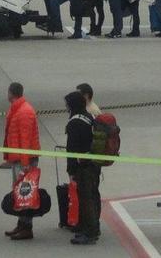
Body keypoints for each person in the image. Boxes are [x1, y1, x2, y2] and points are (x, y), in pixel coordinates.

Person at [3, 82, 40, 241]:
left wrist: (25, 163)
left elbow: (25, 139)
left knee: (25, 193)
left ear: (11, 93)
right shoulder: (16, 109)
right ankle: (22, 224)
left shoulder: (24, 111)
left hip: (25, 160)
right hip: (19, 158)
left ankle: (27, 227)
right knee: (20, 193)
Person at [64, 90, 101, 245]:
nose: (66, 107)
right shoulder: (90, 117)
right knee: (93, 195)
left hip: (82, 166)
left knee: (86, 199)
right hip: (93, 163)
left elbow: (71, 149)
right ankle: (90, 226)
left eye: (67, 104)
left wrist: (71, 170)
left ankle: (90, 232)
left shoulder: (74, 122)